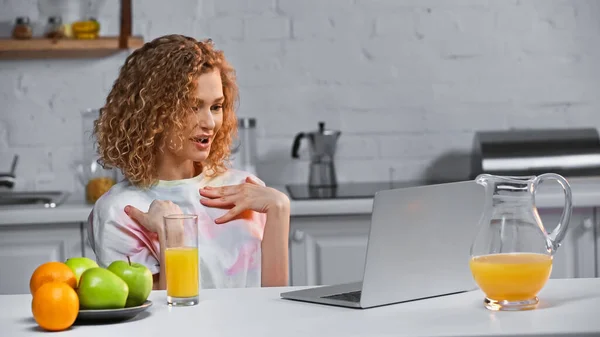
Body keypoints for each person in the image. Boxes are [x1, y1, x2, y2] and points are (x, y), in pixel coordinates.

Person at [87, 34, 290, 290]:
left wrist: (279, 208)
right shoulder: (121, 211)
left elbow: (273, 305)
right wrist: (171, 235)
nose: (209, 123)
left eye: (216, 107)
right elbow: (160, 322)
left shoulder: (245, 190)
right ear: (153, 113)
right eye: (193, 107)